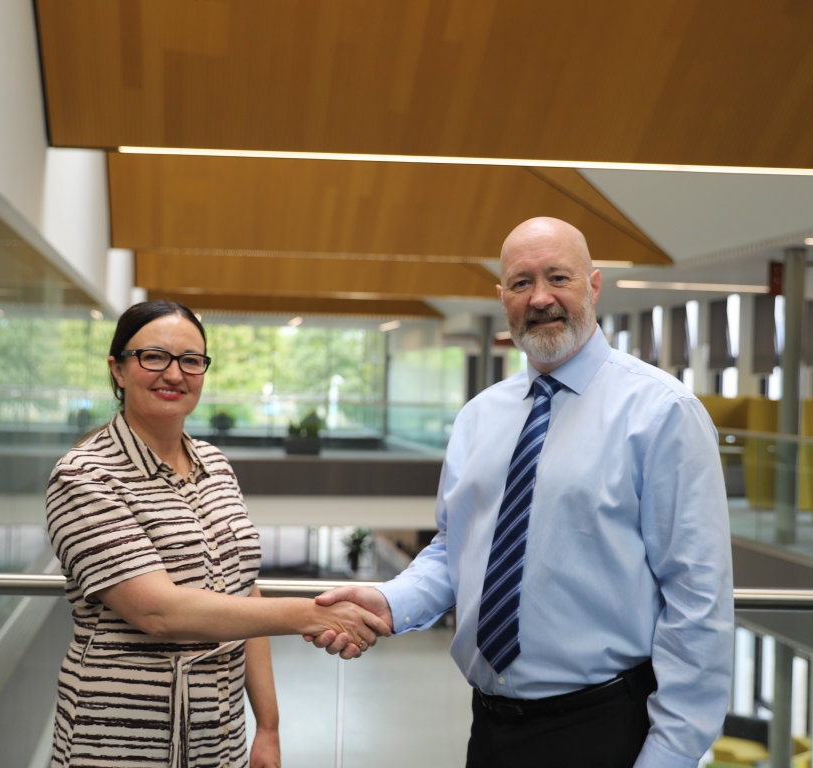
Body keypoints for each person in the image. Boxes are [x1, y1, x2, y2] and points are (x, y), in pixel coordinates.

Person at [309, 218, 734, 768]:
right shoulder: (478, 417)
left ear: (594, 285)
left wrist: (670, 755)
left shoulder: (662, 413)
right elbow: (457, 546)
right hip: (490, 730)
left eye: (558, 277)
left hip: (606, 731)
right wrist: (393, 602)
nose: (540, 298)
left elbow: (698, 598)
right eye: (521, 282)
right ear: (502, 297)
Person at [46, 301, 389, 768]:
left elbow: (245, 592)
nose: (174, 374)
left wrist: (267, 726)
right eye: (154, 356)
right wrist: (310, 615)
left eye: (190, 360)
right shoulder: (85, 476)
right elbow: (157, 612)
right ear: (118, 369)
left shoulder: (214, 465)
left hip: (219, 736)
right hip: (123, 740)